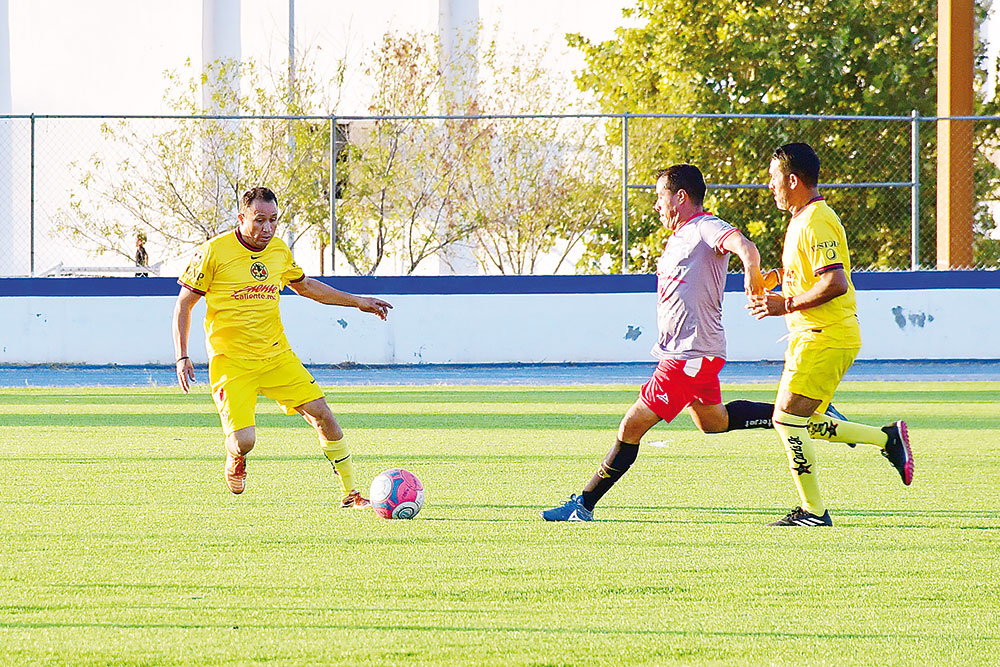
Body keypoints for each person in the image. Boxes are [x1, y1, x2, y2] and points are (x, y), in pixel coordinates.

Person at [541, 164, 774, 522]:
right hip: (694, 353)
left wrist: (752, 271)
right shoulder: (680, 235)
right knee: (712, 421)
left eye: (659, 197)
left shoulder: (704, 227)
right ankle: (794, 414)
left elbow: (744, 244)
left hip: (688, 356)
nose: (656, 206)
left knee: (630, 427)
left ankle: (583, 505)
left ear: (680, 197)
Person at [171, 186, 393, 506]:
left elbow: (307, 287)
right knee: (244, 441)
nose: (268, 228)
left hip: (276, 357)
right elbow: (183, 306)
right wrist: (182, 356)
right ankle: (235, 456)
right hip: (231, 362)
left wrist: (357, 301)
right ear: (242, 217)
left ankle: (350, 493)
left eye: (273, 220)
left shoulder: (278, 251)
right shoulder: (213, 252)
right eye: (260, 220)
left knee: (324, 415)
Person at [748, 142, 913, 527]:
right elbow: (814, 277)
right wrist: (782, 283)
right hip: (817, 335)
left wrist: (784, 304)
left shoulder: (817, 220)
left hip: (824, 335)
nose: (769, 186)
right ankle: (887, 439)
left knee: (786, 421)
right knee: (801, 422)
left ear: (793, 179)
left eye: (774, 178)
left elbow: (835, 282)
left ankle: (814, 511)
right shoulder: (801, 220)